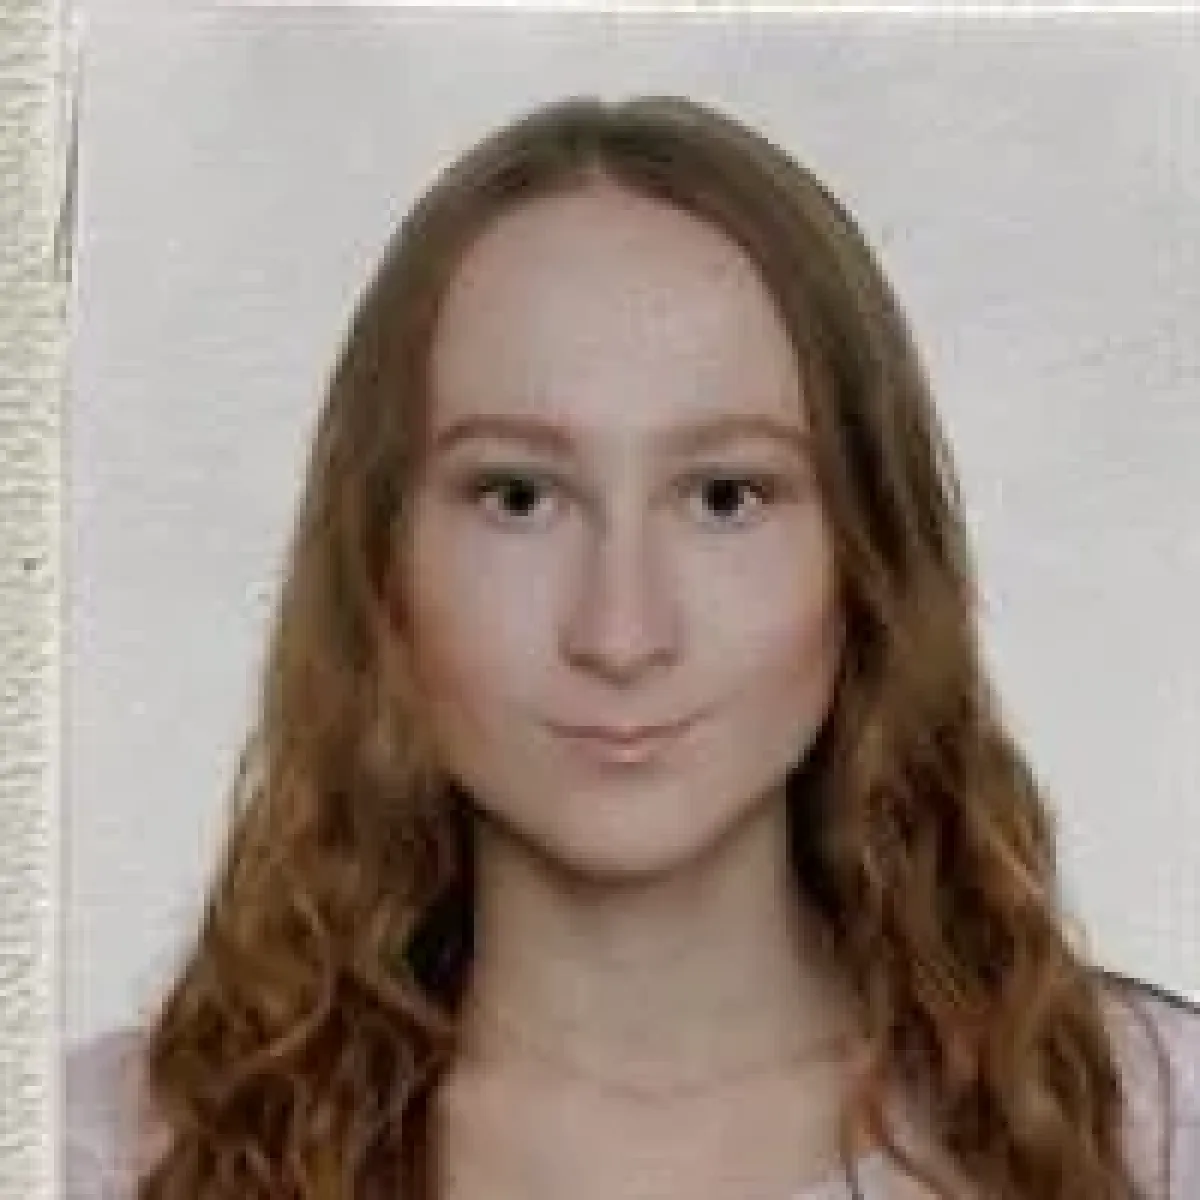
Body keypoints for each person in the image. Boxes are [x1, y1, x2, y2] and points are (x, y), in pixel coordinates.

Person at [66, 94, 1199, 1200]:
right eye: (519, 497)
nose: (620, 633)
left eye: (724, 497)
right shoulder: (96, 1155)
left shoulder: (1149, 1130)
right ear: (382, 564)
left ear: (866, 557)